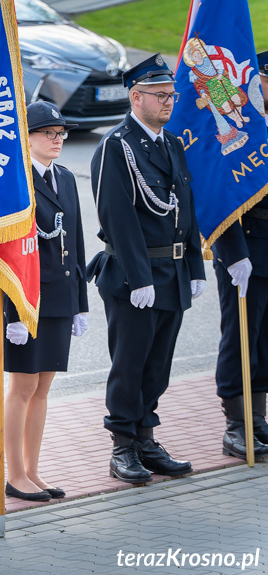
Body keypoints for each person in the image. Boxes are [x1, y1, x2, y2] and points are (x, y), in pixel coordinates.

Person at [87, 54, 206, 485]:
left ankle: (145, 436)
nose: (169, 102)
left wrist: (194, 266)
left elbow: (185, 209)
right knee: (130, 364)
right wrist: (139, 277)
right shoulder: (116, 147)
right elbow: (116, 217)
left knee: (158, 366)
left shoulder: (170, 144)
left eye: (171, 95)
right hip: (135, 276)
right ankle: (122, 446)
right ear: (136, 97)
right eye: (160, 96)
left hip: (170, 272)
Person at [3, 101, 89, 501]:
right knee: (21, 387)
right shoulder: (16, 182)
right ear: (27, 137)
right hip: (27, 299)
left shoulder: (65, 178)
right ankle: (14, 473)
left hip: (59, 296)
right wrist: (11, 313)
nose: (57, 140)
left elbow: (76, 241)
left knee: (43, 389)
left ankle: (33, 471)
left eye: (61, 134)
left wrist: (80, 302)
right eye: (47, 134)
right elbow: (5, 251)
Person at [209, 50, 268, 460]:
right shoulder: (235, 113)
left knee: (265, 340)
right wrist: (232, 252)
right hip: (245, 247)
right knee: (241, 339)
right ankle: (237, 425)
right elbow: (218, 190)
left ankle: (259, 420)